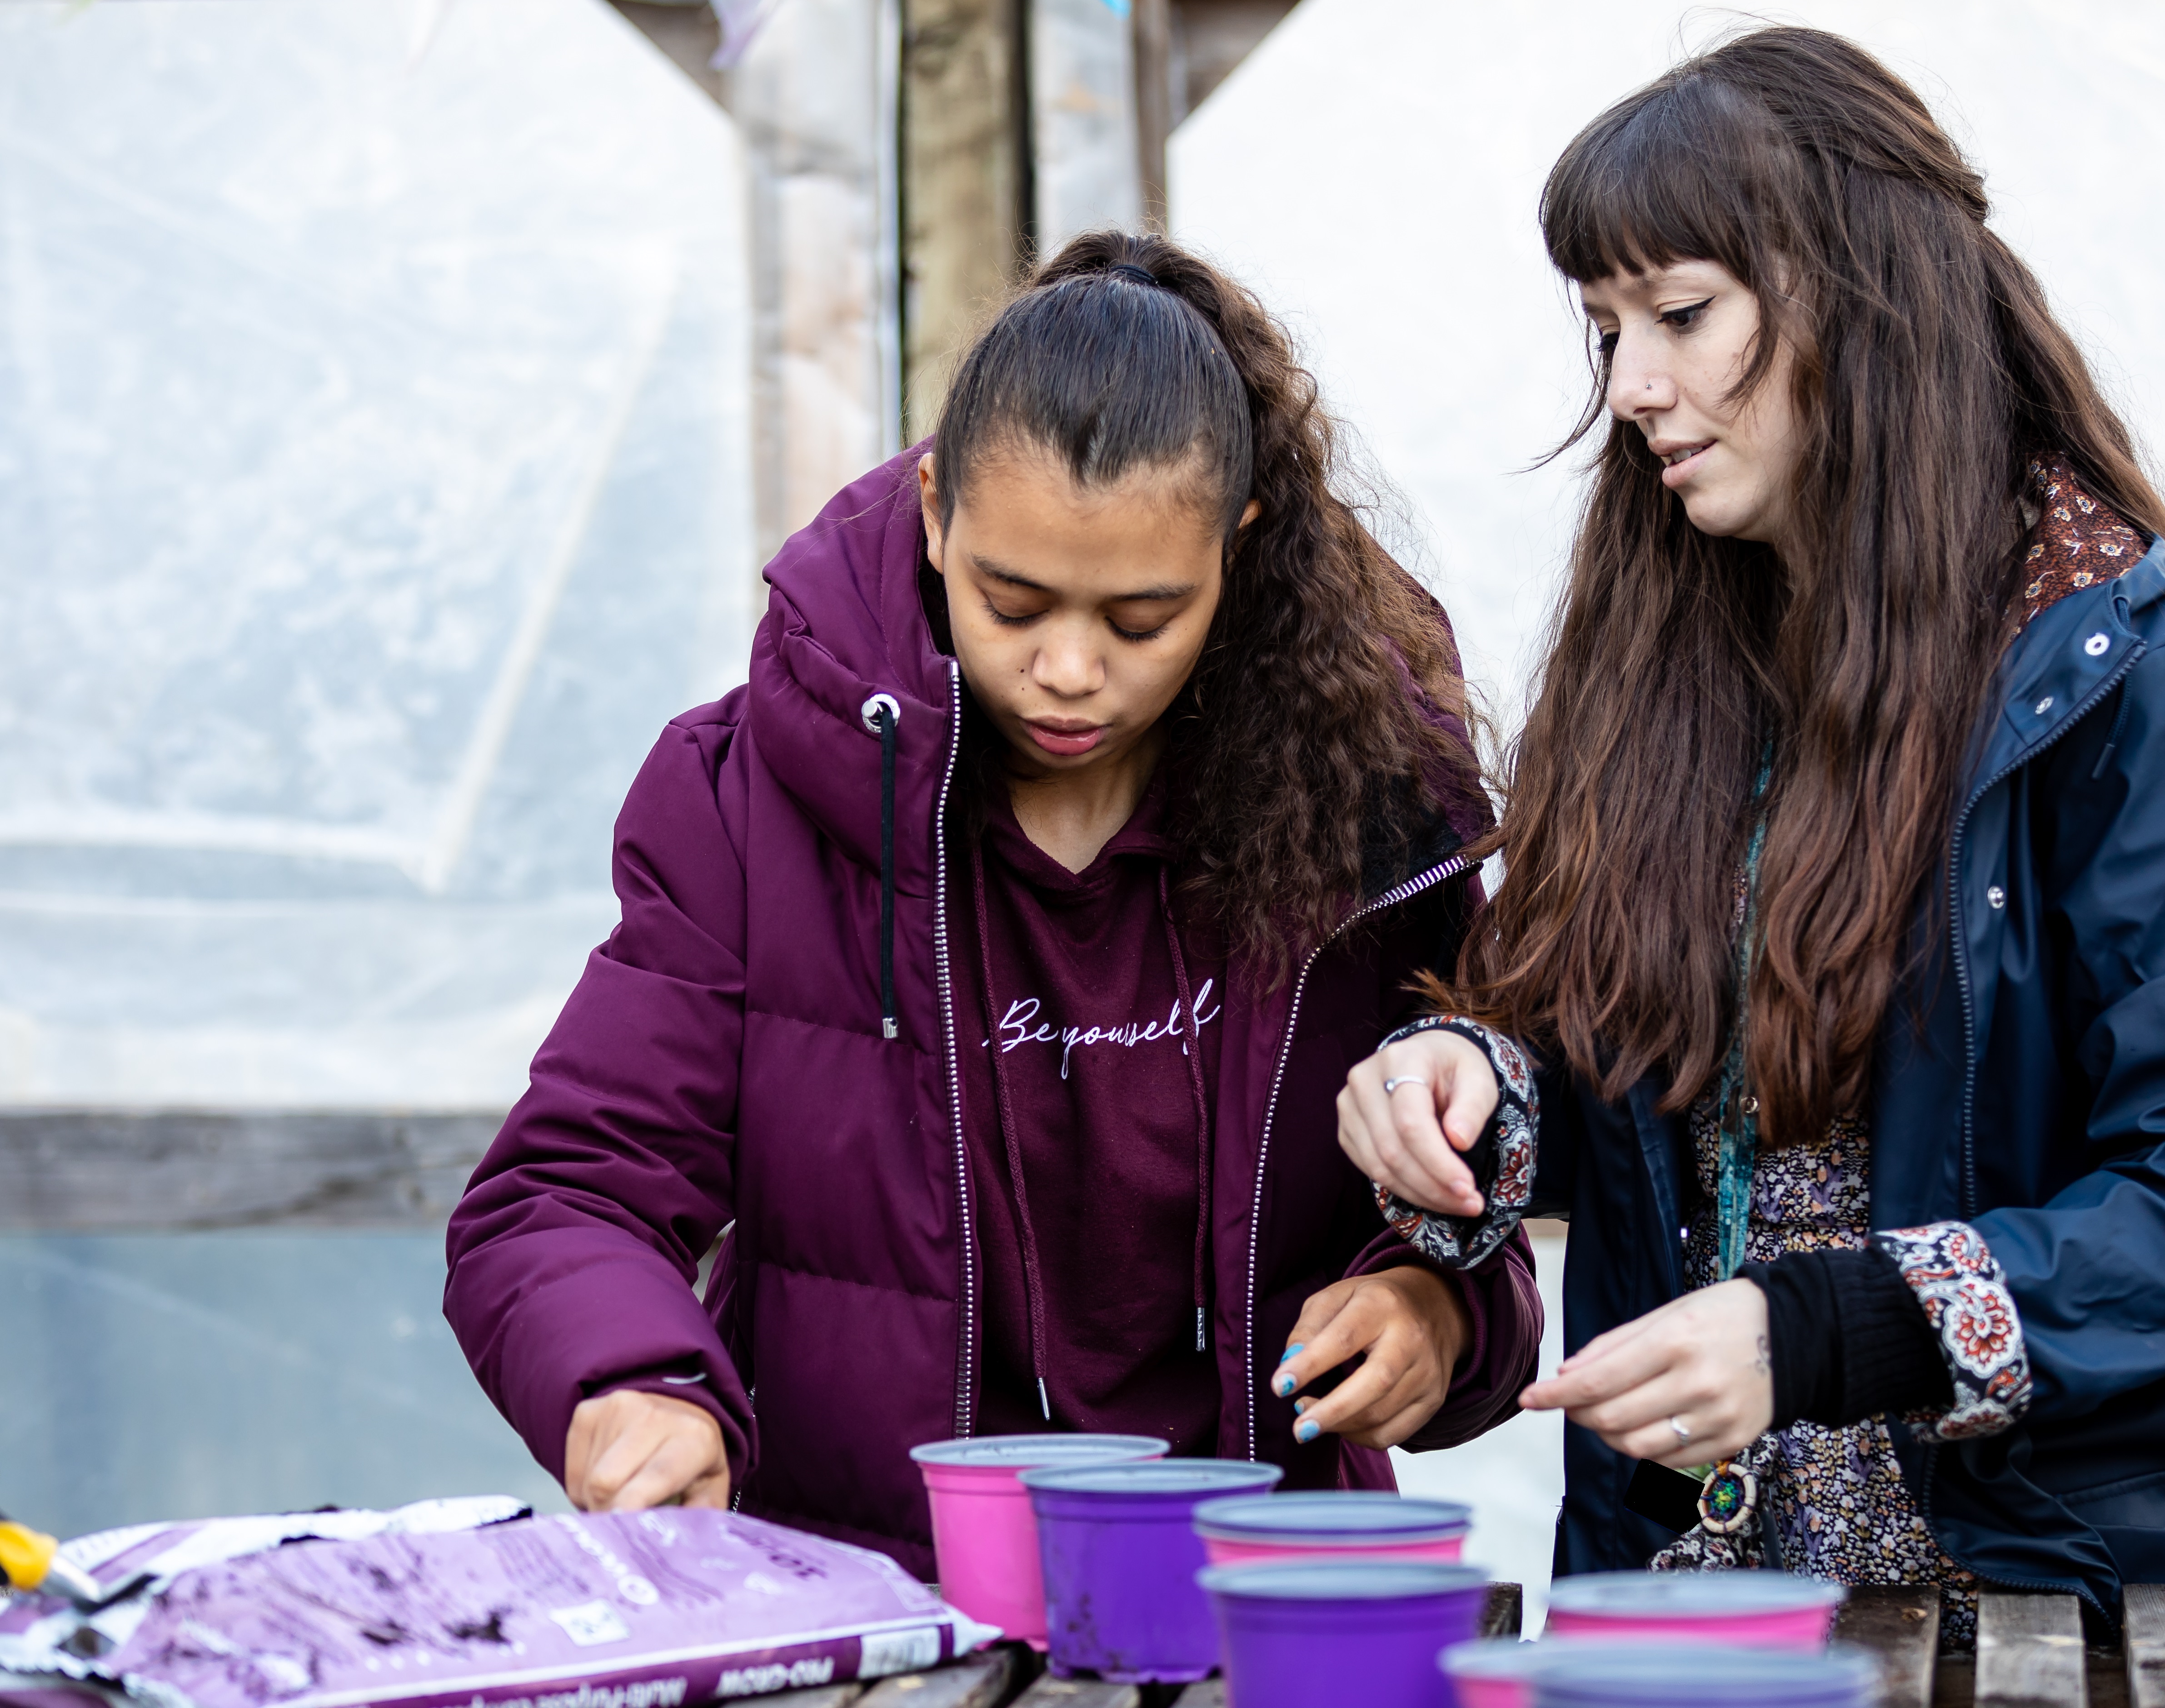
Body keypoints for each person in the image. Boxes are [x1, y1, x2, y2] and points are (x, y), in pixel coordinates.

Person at [1331, 28, 2165, 1645]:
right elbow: (1665, 1116)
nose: (1632, 387)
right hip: (1687, 1614)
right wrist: (1479, 1094)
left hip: (2043, 1621)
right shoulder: (1665, 661)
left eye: (1678, 315)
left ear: (1863, 297)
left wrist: (1829, 1328)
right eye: (1605, 330)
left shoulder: (2147, 694)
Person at [447, 231, 1541, 1577]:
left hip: (1258, 1603)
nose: (1069, 670)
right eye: (1010, 601)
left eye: (1141, 619)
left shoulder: (1362, 821)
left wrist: (1434, 1306)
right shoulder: (744, 802)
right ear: (930, 514)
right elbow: (563, 1193)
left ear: (1240, 551)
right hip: (859, 1606)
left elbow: (1469, 1201)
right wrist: (628, 1385)